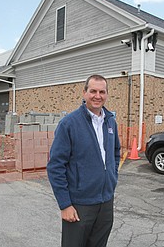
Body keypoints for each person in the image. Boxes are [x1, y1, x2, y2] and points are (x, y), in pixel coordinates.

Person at [47, 74, 121, 247]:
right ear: (84, 93)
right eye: (93, 91)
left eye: (102, 92)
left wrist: (112, 176)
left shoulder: (111, 123)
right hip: (80, 204)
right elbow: (55, 166)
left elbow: (115, 152)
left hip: (105, 202)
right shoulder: (69, 124)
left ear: (107, 94)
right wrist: (65, 204)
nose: (97, 96)